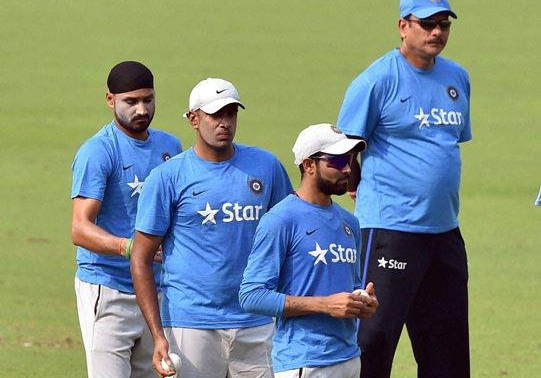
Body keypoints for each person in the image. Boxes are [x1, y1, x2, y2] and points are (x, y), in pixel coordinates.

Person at [336, 0, 472, 378]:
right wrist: (355, 186)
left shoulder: (457, 78)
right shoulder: (376, 80)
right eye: (427, 24)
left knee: (446, 347)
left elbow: (449, 145)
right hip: (390, 230)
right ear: (403, 26)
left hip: (445, 232)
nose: (437, 32)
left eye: (443, 24)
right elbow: (345, 148)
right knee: (374, 341)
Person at [131, 77, 293, 378]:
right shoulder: (168, 178)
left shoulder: (266, 166)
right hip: (190, 323)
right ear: (194, 119)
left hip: (257, 321)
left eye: (231, 113)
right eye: (216, 114)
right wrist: (157, 335)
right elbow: (141, 257)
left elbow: (290, 237)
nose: (225, 123)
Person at [70, 61, 182, 377]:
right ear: (110, 100)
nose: (141, 109)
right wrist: (131, 247)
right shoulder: (98, 152)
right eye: (130, 102)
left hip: (157, 290)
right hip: (108, 289)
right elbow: (80, 228)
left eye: (148, 99)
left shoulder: (169, 146)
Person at [239, 123, 378, 378]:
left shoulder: (350, 222)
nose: (347, 168)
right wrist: (325, 305)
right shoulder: (280, 220)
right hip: (304, 362)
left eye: (349, 159)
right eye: (336, 161)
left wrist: (361, 302)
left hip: (349, 359)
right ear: (308, 165)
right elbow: (252, 295)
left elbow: (351, 284)